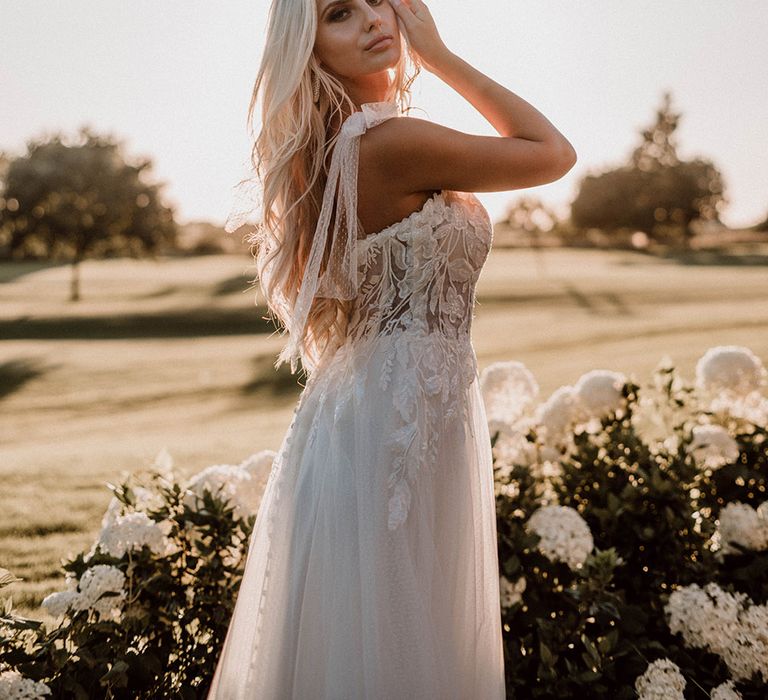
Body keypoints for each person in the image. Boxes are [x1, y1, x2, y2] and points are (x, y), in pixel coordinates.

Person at [208, 0, 576, 697]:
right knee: (400, 636)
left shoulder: (340, 145)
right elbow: (551, 154)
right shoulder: (386, 142)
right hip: (399, 416)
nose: (375, 18)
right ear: (308, 49)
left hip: (383, 402)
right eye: (341, 13)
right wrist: (439, 55)